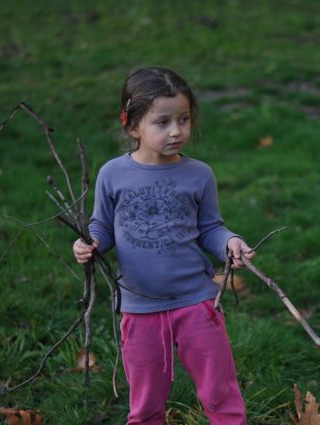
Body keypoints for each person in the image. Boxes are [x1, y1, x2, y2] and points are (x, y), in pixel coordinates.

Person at [72, 66, 253, 425]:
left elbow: (210, 228)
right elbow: (102, 225)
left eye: (183, 119)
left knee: (220, 393)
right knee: (146, 403)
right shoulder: (113, 174)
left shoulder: (198, 175)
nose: (176, 131)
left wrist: (230, 242)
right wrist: (90, 243)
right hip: (140, 308)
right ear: (132, 126)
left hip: (196, 303)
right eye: (162, 122)